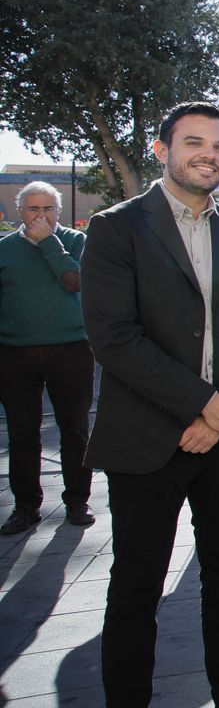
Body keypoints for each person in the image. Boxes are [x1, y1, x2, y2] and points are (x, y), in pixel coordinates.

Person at [81, 102, 219, 708]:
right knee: (137, 586)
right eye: (195, 142)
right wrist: (203, 404)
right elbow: (114, 338)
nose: (210, 155)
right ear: (161, 147)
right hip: (149, 439)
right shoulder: (117, 229)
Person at [0, 181, 95, 535]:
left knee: (74, 429)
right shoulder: (5, 249)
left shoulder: (74, 241)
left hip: (70, 349)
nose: (41, 216)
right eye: (33, 209)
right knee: (23, 432)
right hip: (14, 353)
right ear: (18, 212)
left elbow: (74, 281)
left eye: (48, 209)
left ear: (59, 211)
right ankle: (25, 507)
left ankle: (76, 500)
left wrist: (48, 242)